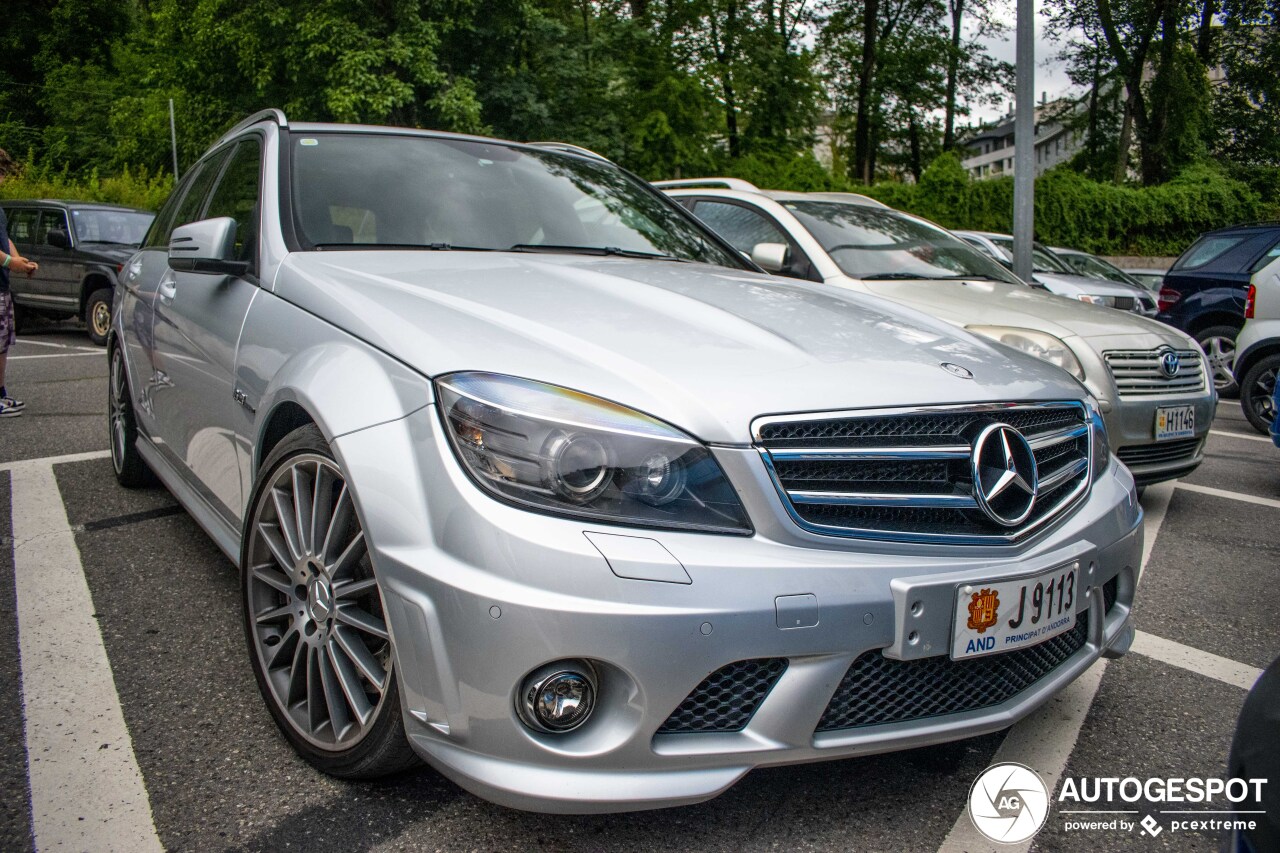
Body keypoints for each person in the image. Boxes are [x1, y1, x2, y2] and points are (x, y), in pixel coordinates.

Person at [0, 148, 40, 418]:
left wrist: (18, 259)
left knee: (2, 343)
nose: (3, 179)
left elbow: (5, 239)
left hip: (2, 286)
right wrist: (8, 263)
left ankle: (1, 393)